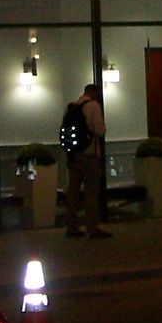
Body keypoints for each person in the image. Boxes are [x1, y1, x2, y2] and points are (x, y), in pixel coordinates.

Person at [63, 82, 111, 239]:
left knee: (73, 191)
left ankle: (72, 226)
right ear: (95, 94)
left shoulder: (71, 107)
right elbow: (100, 130)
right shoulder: (93, 106)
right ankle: (92, 228)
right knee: (91, 192)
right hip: (90, 154)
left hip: (73, 155)